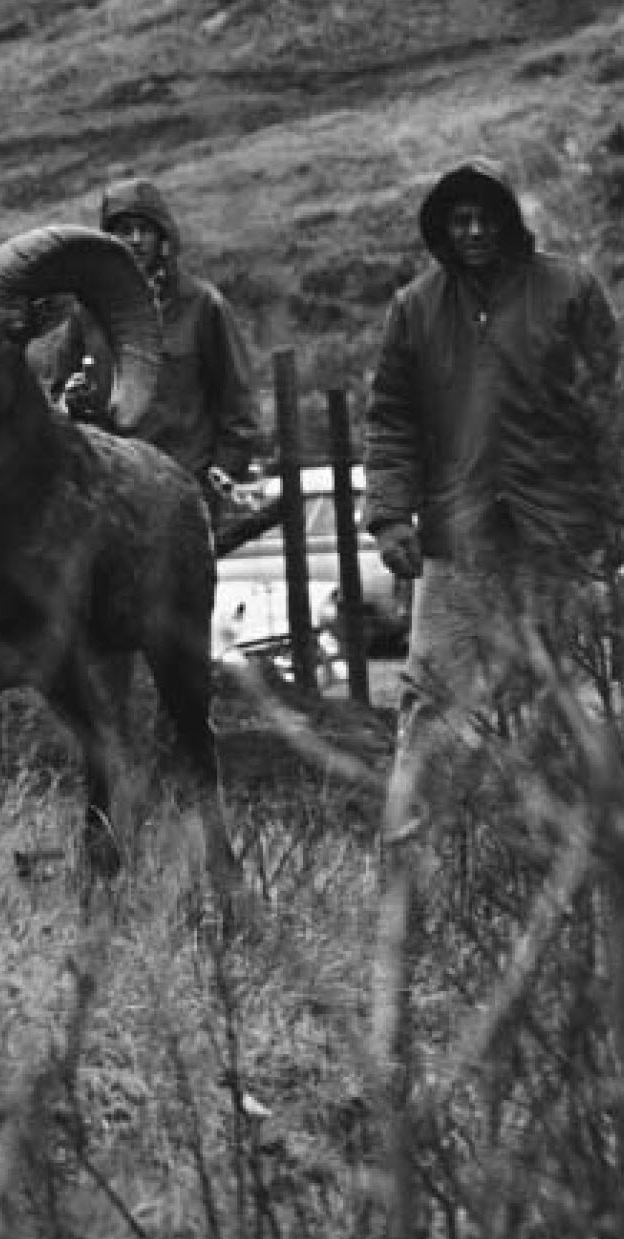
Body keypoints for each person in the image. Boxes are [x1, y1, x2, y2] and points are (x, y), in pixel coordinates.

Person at [364, 157, 620, 1228]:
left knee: (583, 734)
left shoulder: (568, 291)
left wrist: (611, 525)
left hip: (558, 550)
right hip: (460, 555)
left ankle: (600, 930)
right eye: (451, 218)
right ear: (438, 227)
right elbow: (388, 422)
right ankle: (395, 938)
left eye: (483, 215)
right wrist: (388, 516)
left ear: (507, 219)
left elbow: (608, 408)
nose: (468, 230)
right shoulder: (411, 309)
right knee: (425, 731)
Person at [46, 176, 262, 525]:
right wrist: (70, 401)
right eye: (123, 230)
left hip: (183, 496)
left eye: (144, 229)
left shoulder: (203, 306)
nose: (134, 240)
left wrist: (223, 471)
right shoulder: (86, 314)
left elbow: (237, 404)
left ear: (164, 237)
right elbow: (57, 403)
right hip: (110, 497)